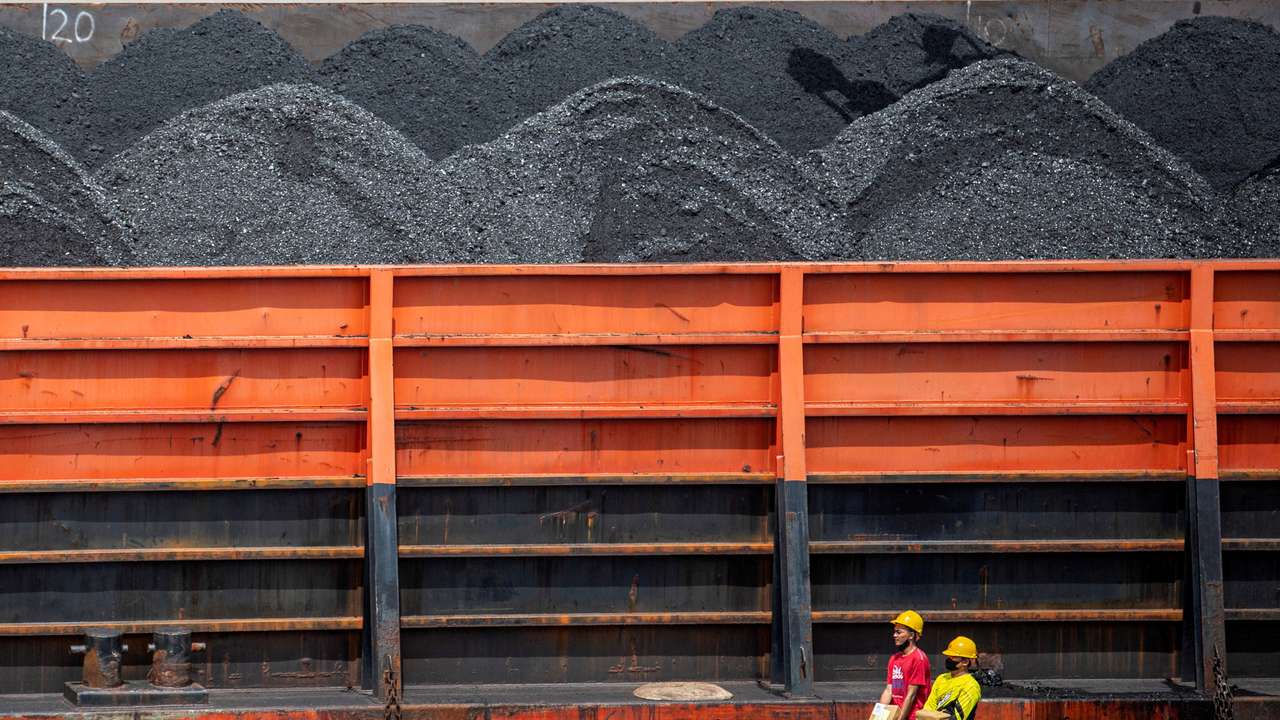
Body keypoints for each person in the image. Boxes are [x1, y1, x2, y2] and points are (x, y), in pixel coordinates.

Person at [879, 610, 931, 720]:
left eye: (899, 632)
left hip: (912, 716)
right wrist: (879, 715)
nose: (894, 635)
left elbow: (911, 695)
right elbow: (889, 690)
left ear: (911, 635)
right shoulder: (894, 658)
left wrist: (901, 718)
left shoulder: (919, 659)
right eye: (894, 632)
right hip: (895, 713)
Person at [923, 636, 982, 720]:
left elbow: (957, 718)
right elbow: (928, 708)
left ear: (965, 662)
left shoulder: (971, 686)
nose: (949, 659)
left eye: (953, 657)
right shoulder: (941, 678)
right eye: (948, 656)